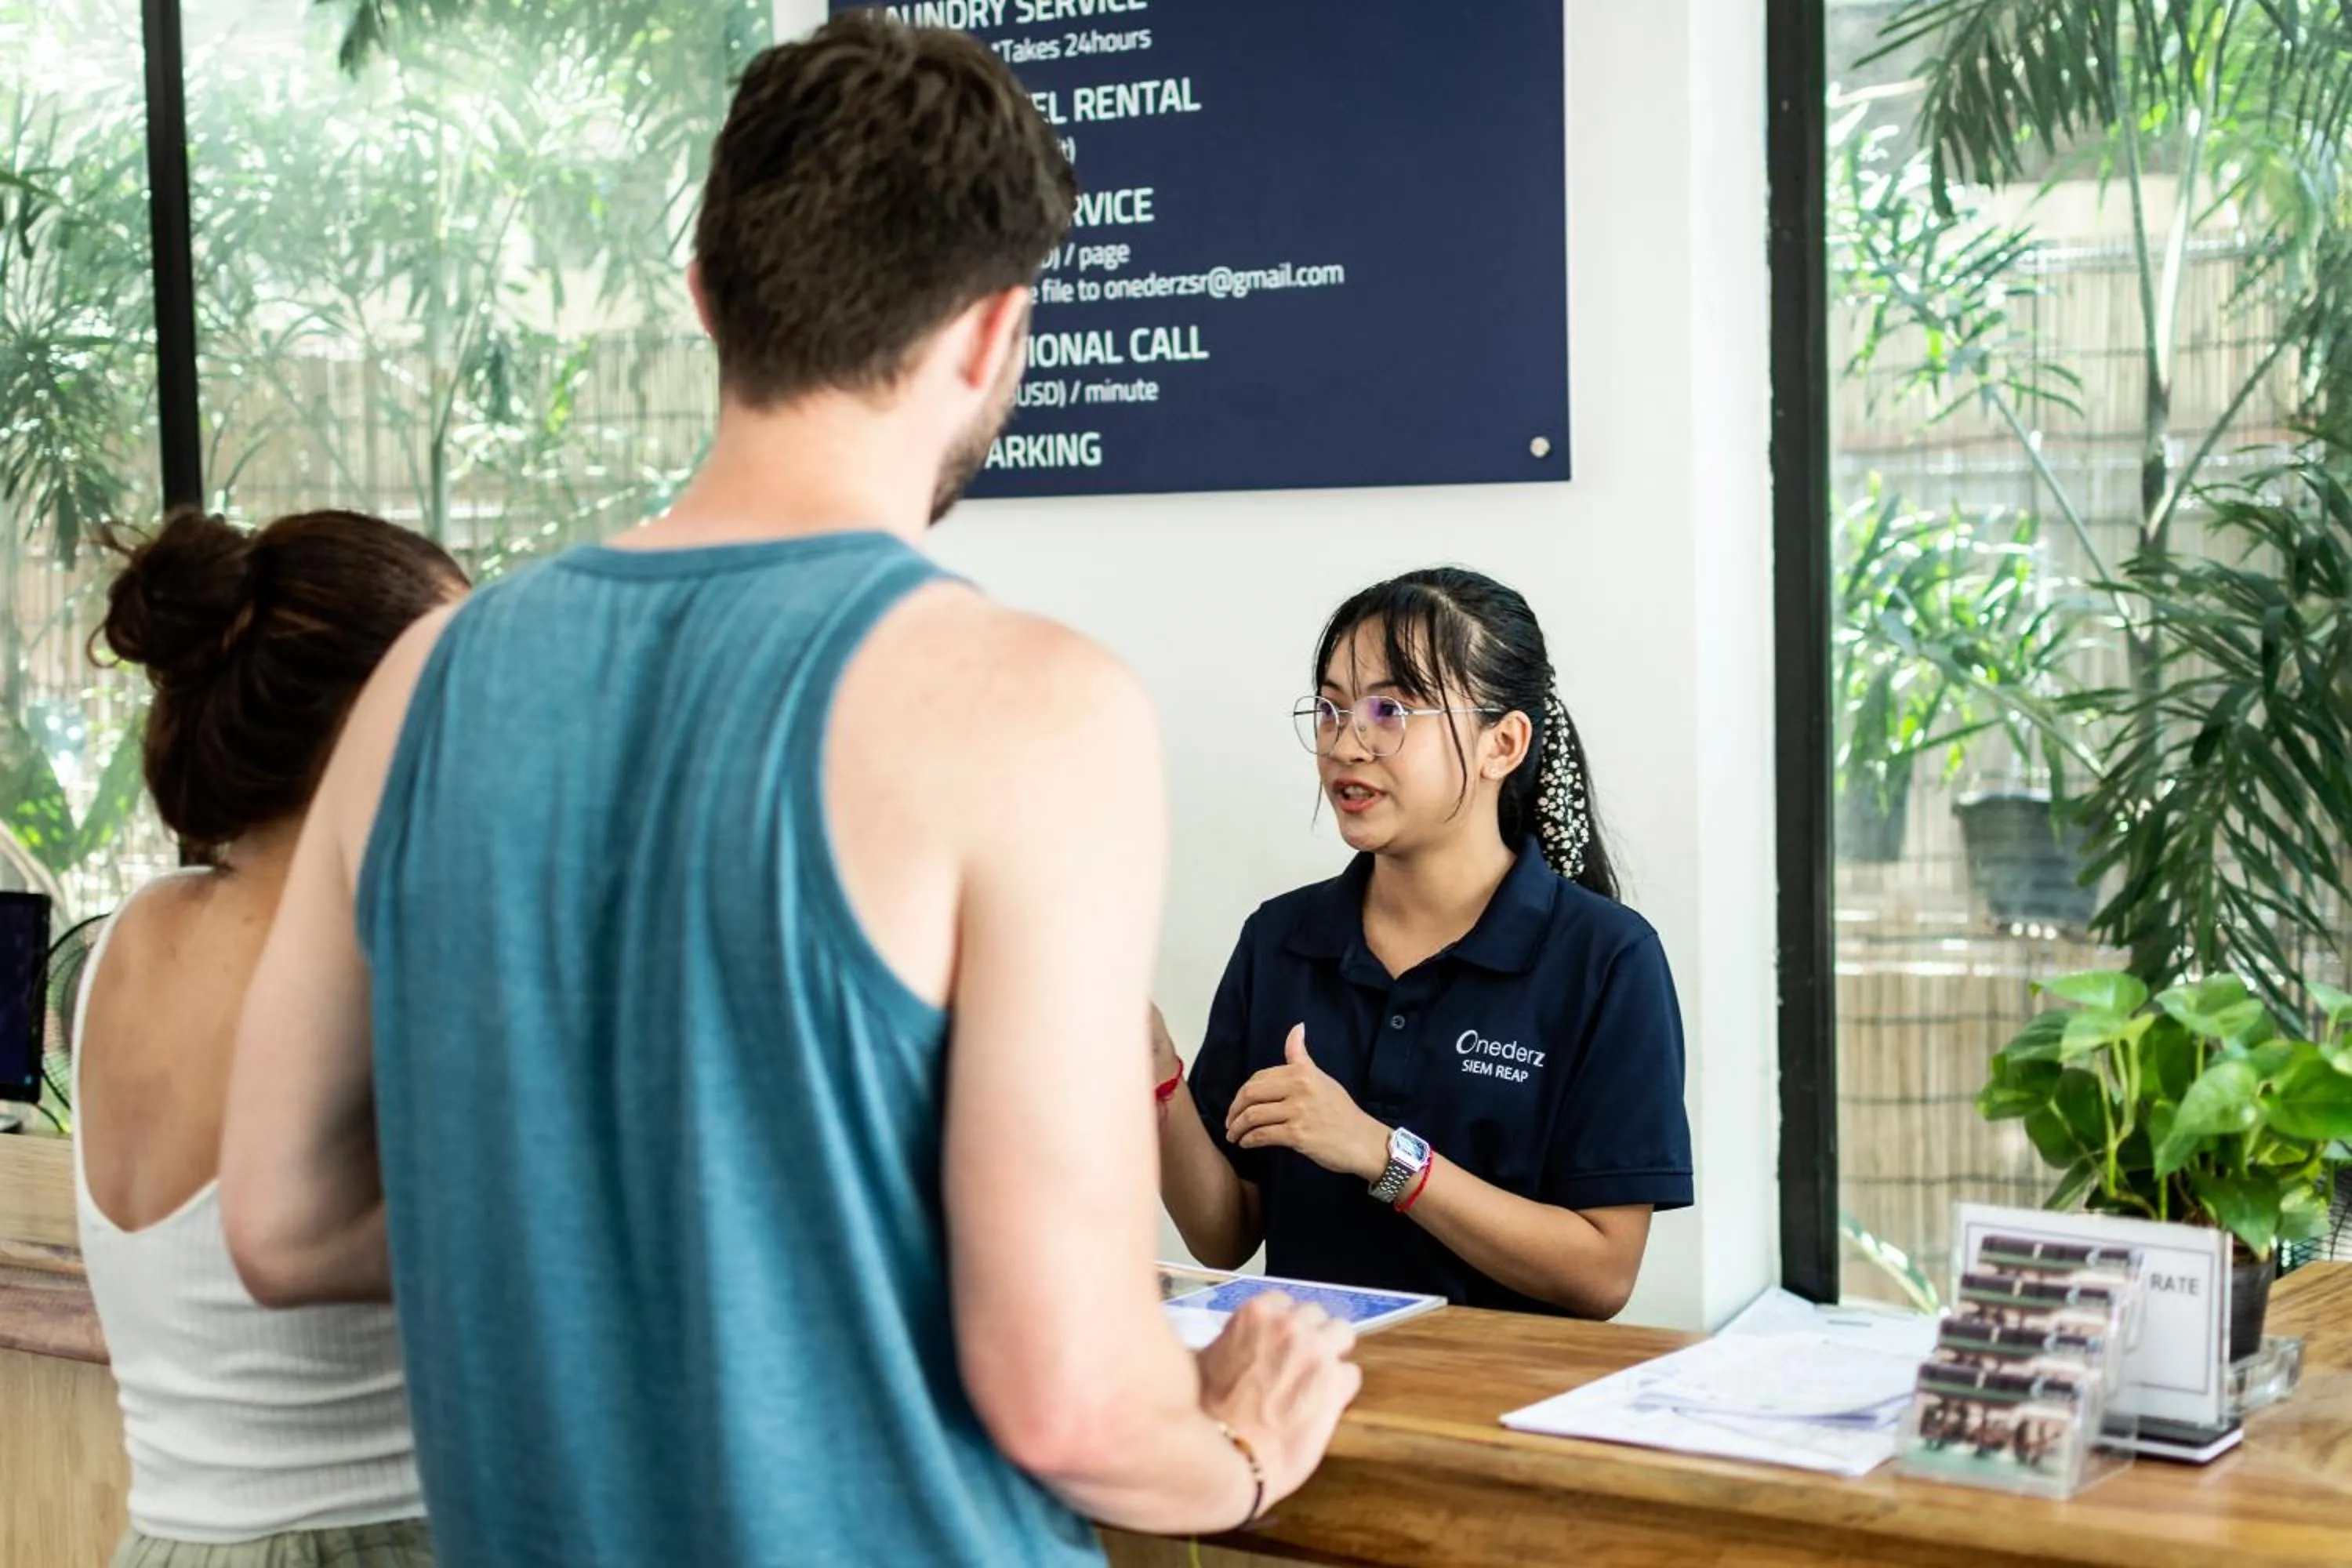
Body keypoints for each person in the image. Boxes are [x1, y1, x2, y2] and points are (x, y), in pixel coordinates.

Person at [216, 15, 1360, 1568]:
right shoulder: (1031, 708)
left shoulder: (425, 678)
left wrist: (618, 1212)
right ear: (992, 332)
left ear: (707, 299)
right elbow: (1072, 1402)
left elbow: (277, 1226)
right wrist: (1238, 1448)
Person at [74, 508, 467, 1568]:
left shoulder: (132, 938)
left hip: (165, 1545)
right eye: (454, 684)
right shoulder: (387, 961)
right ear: (371, 721)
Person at [1155, 568, 1693, 1319]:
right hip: (1300, 1396)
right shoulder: (1280, 939)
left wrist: (1383, 1154)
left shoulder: (1606, 958)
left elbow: (1601, 1274)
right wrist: (1158, 1081)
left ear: (1500, 743)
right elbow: (1224, 1236)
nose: (1347, 743)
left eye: (1391, 710)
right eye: (1332, 710)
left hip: (1499, 1415)